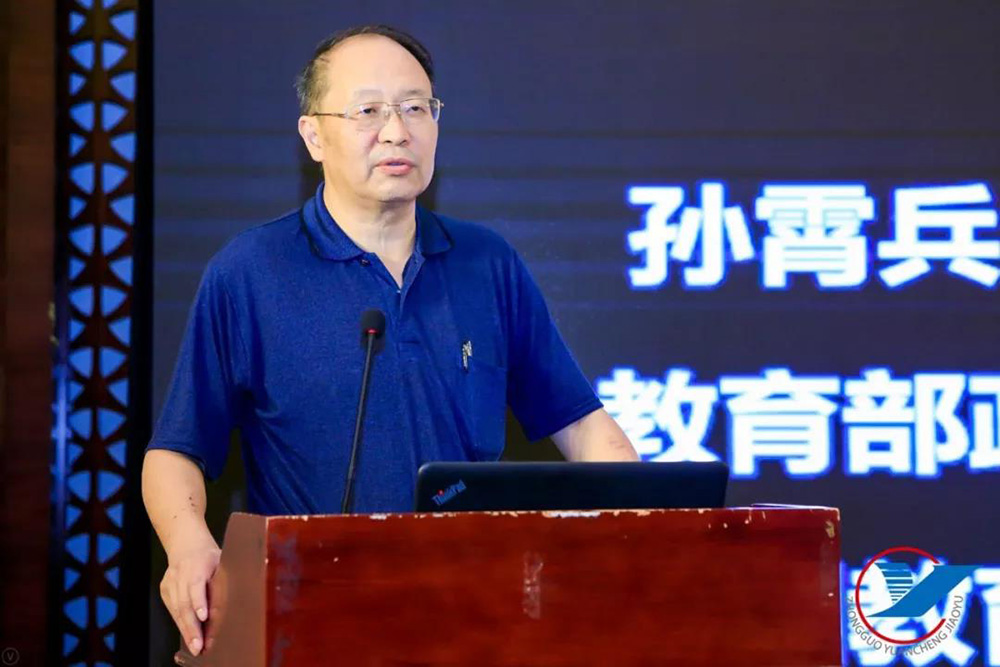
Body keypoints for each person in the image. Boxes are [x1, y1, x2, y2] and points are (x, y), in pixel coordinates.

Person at [142, 24, 638, 657]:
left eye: (415, 108)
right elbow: (176, 451)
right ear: (313, 135)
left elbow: (585, 428)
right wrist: (188, 544)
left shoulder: (486, 264)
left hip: (477, 618)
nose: (397, 131)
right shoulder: (250, 271)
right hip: (309, 617)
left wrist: (648, 528)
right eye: (369, 110)